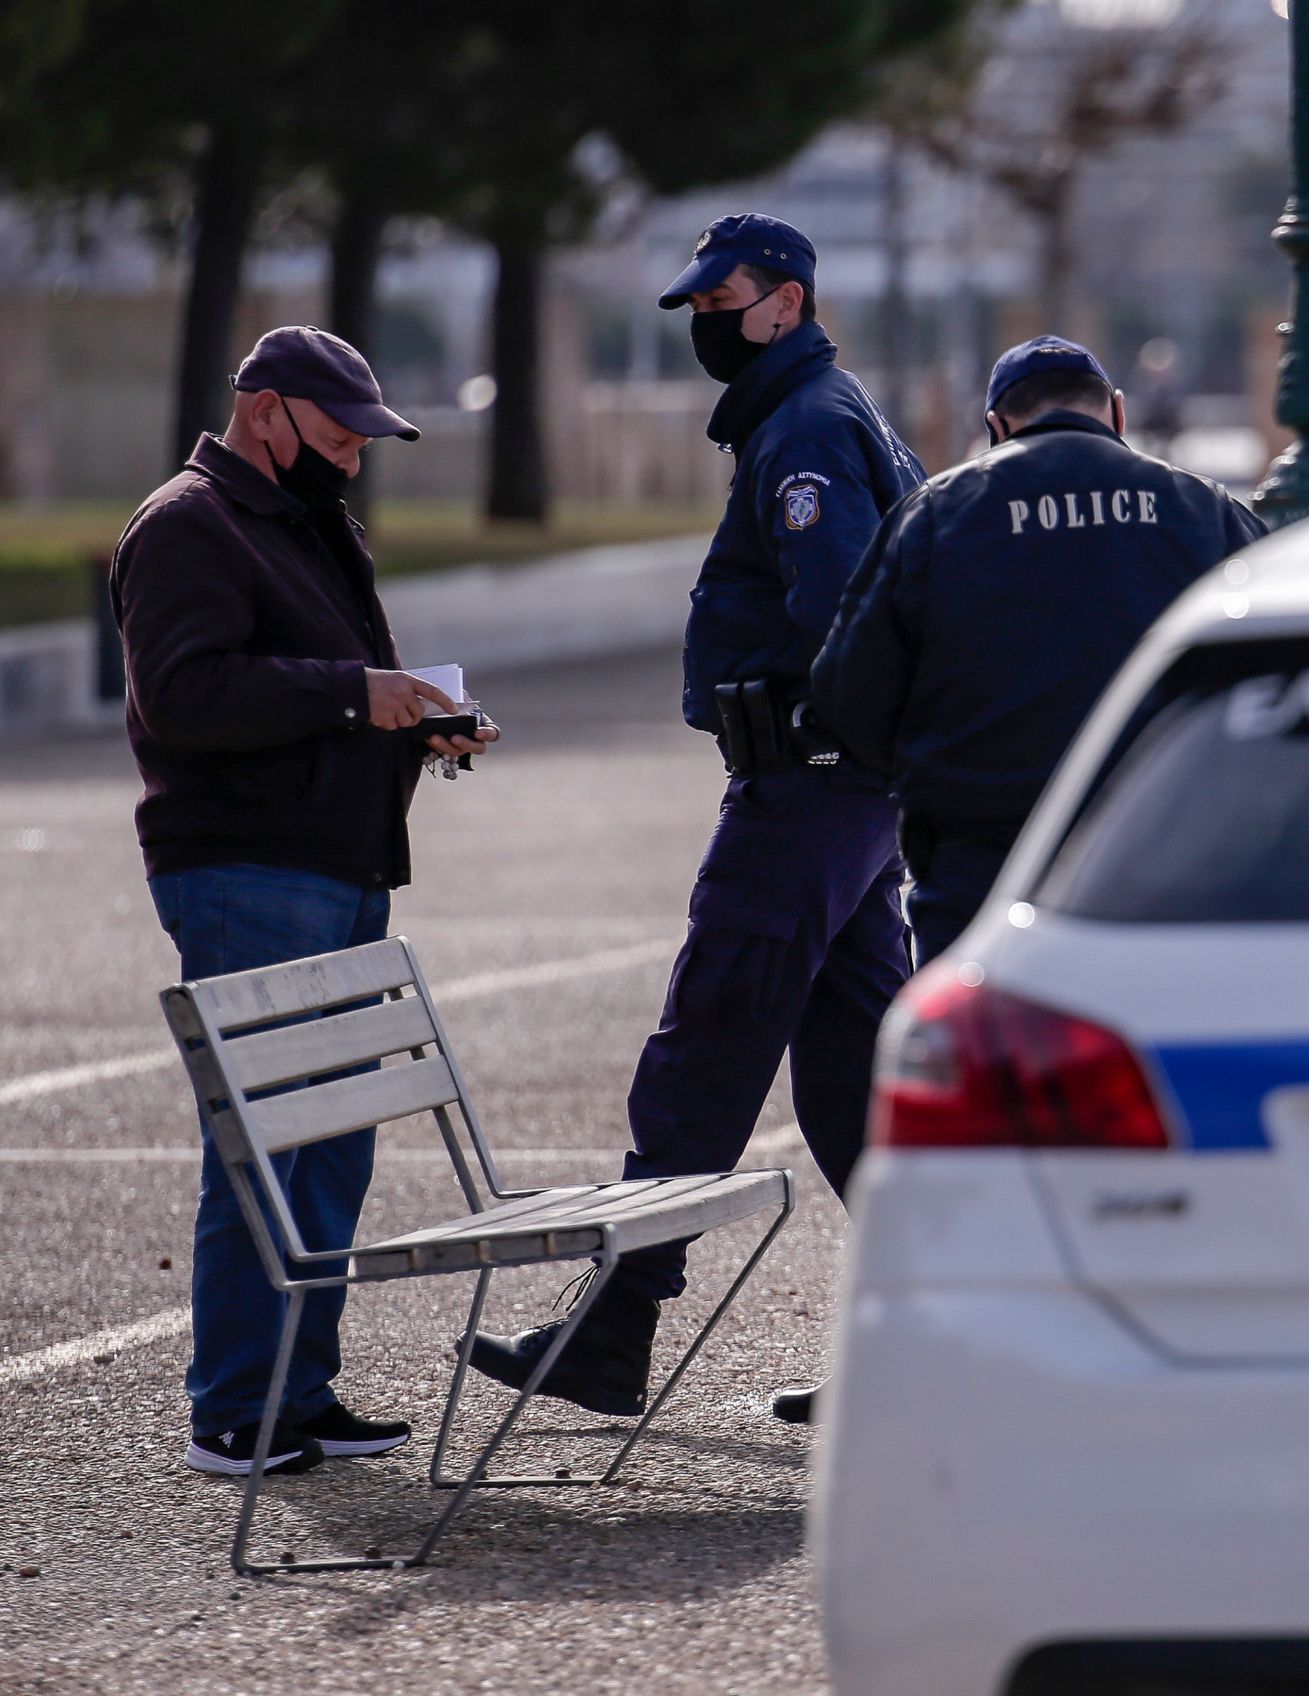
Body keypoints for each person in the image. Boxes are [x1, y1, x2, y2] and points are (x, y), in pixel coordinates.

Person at [465, 213, 924, 1427]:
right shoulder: (815, 412)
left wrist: (829, 759)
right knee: (857, 1082)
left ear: (787, 302)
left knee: (707, 1043)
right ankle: (930, 1342)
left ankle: (613, 1330)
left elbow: (846, 626)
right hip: (846, 800)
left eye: (723, 302)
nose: (705, 325)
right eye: (697, 307)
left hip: (806, 797)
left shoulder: (807, 429)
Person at [114, 325, 498, 1478]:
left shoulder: (305, 522)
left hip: (335, 868)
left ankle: (301, 1389)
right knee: (264, 1149)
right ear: (265, 411)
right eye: (337, 434)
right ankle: (235, 1406)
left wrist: (415, 720)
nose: (354, 456)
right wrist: (355, 694)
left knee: (329, 1150)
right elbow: (184, 695)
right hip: (243, 872)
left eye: (364, 439)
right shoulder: (188, 523)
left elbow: (322, 692)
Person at [811, 337, 1266, 967]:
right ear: (1118, 411)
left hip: (981, 859)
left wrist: (936, 776)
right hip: (1168, 854)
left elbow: (850, 695)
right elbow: (1272, 674)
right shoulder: (1207, 510)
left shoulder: (936, 515)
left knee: (981, 1056)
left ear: (995, 427)